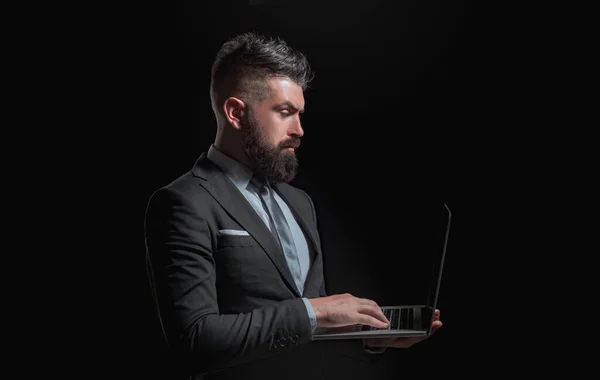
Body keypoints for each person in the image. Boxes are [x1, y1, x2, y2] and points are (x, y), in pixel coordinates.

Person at [144, 31, 442, 380]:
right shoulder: (183, 202)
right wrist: (314, 310)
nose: (299, 130)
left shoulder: (299, 203)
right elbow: (194, 340)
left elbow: (304, 330)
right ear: (236, 112)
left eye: (300, 114)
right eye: (285, 112)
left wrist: (369, 336)